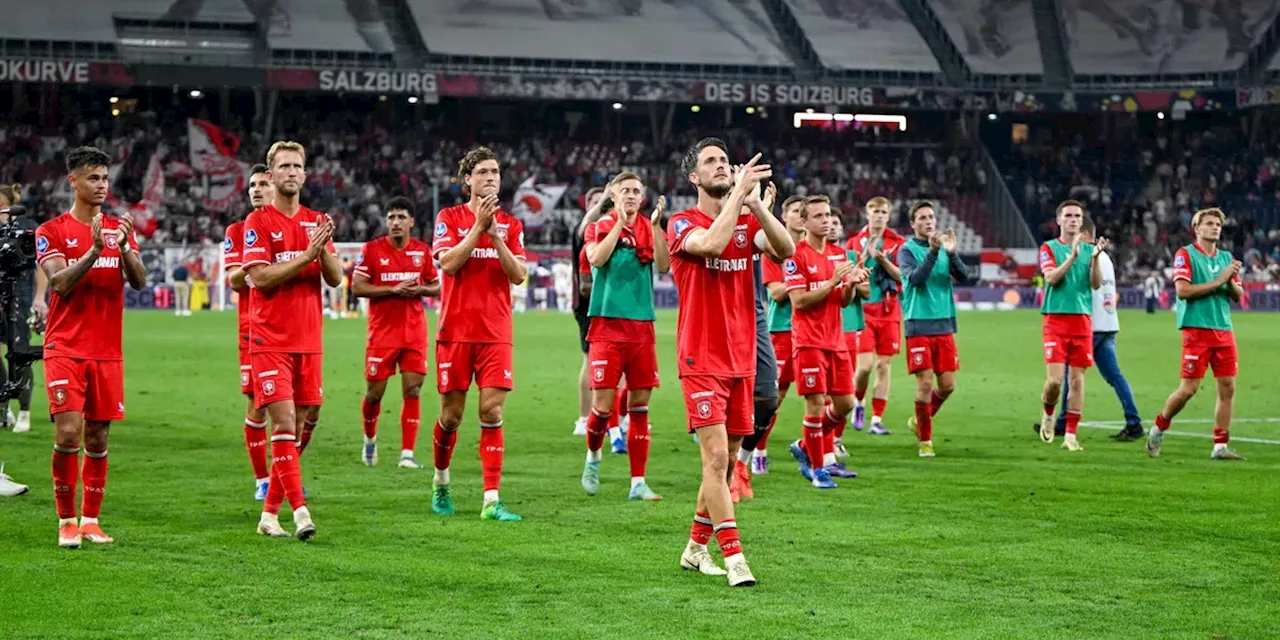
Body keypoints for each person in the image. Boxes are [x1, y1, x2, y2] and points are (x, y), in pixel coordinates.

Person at [668, 140, 794, 587]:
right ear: (695, 178)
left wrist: (758, 209)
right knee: (717, 456)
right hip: (700, 357)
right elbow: (713, 245)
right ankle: (735, 557)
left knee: (722, 466)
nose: (721, 166)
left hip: (741, 359)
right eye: (711, 162)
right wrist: (740, 197)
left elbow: (785, 250)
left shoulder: (746, 218)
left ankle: (695, 549)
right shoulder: (681, 222)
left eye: (725, 160)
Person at [36, 146, 147, 548]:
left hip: (106, 352)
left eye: (104, 178)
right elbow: (60, 283)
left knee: (98, 438)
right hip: (65, 347)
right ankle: (66, 521)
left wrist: (123, 247)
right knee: (69, 434)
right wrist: (96, 250)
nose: (101, 185)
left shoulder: (118, 229)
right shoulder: (50, 230)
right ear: (73, 181)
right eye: (93, 178)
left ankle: (91, 520)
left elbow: (138, 281)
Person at [242, 141, 344, 540]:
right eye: (282, 166)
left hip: (309, 341)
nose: (290, 172)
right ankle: (300, 510)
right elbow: (261, 279)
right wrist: (306, 256)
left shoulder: (316, 220)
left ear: (304, 174)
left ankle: (268, 515)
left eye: (296, 166)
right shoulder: (259, 223)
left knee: (301, 428)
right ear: (270, 174)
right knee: (283, 424)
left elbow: (335, 278)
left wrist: (322, 250)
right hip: (270, 341)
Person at [430, 146, 528, 522]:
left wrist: (497, 236)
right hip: (455, 332)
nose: (490, 178)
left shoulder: (512, 225)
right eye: (483, 172)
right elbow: (449, 264)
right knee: (451, 417)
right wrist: (477, 228)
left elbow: (518, 275)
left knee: (491, 409)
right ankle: (441, 482)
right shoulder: (448, 217)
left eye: (495, 172)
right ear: (467, 179)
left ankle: (491, 500)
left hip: (495, 332)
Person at [579, 172, 669, 501]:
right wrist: (619, 223)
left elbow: (662, 266)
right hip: (606, 327)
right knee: (602, 408)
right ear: (614, 196)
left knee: (640, 407)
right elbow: (596, 258)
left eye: (636, 191)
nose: (631, 195)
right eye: (625, 191)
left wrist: (657, 227)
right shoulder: (598, 226)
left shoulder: (649, 227)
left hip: (642, 327)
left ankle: (638, 482)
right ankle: (593, 457)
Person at [1147, 208, 1246, 461]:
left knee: (1228, 387)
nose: (1215, 228)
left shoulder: (1226, 257)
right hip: (1196, 330)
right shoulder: (1185, 255)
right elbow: (1183, 291)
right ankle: (1159, 427)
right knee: (1189, 389)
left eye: (1218, 225)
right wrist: (1221, 280)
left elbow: (1236, 296)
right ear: (1197, 228)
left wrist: (1232, 279)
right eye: (1210, 223)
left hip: (1223, 329)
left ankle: (1220, 445)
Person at [1034, 219, 1144, 441]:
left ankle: (1063, 423)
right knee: (1114, 376)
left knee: (1070, 376)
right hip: (1109, 325)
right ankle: (1134, 421)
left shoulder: (1089, 256)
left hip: (1089, 325)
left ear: (1084, 235)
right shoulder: (1106, 258)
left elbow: (1083, 291)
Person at [784, 196, 866, 487]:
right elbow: (799, 301)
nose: (827, 221)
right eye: (819, 216)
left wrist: (851, 285)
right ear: (804, 222)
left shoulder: (839, 254)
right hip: (808, 342)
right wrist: (832, 282)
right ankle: (819, 471)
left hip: (836, 341)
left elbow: (843, 302)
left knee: (846, 403)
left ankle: (805, 445)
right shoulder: (796, 255)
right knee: (816, 405)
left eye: (828, 215)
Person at [353, 197, 440, 469]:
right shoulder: (371, 250)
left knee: (412, 390)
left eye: (401, 217)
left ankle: (407, 453)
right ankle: (369, 439)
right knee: (374, 393)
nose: (396, 223)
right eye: (391, 217)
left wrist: (419, 291)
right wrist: (392, 290)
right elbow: (357, 287)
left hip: (413, 333)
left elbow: (436, 287)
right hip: (382, 334)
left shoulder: (422, 252)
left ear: (411, 221)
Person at [898, 202, 969, 457]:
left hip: (944, 323)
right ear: (913, 224)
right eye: (922, 218)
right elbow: (916, 279)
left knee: (948, 385)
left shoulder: (943, 250)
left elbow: (965, 277)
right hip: (918, 323)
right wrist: (932, 252)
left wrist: (950, 254)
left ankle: (919, 420)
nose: (928, 221)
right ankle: (925, 441)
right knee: (925, 383)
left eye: (931, 217)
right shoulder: (906, 251)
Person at [1036, 200, 1108, 451]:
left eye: (1077, 215)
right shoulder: (1049, 248)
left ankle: (1070, 436)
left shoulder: (1090, 249)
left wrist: (1095, 258)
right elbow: (1052, 279)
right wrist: (1073, 256)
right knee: (1055, 382)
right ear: (1059, 221)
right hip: (1055, 318)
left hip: (1082, 319)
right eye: (1068, 215)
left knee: (1077, 381)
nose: (1073, 220)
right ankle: (1048, 412)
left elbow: (1096, 284)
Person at [223, 163, 273, 500]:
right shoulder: (238, 230)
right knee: (257, 406)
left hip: (294, 328)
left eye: (262, 184)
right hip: (252, 329)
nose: (255, 189)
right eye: (251, 185)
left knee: (305, 409)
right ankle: (262, 479)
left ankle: (285, 472)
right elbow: (234, 279)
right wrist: (259, 269)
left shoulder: (296, 224)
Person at [729, 180, 779, 502]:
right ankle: (724, 474)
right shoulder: (719, 221)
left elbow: (777, 249)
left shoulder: (755, 226)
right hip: (722, 316)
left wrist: (763, 209)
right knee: (728, 403)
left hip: (755, 314)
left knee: (768, 399)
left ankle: (741, 465)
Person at [751, 195, 806, 477]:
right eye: (795, 211)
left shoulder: (815, 249)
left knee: (824, 395)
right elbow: (774, 293)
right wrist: (802, 283)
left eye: (803, 211)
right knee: (777, 395)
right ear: (784, 216)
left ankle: (821, 448)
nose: (800, 216)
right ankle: (759, 450)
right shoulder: (774, 246)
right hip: (783, 329)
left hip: (811, 331)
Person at [846, 196, 904, 436]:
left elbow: (903, 277)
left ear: (888, 216)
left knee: (884, 365)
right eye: (875, 212)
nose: (879, 216)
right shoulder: (854, 242)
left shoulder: (898, 243)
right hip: (864, 310)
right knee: (865, 366)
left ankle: (877, 419)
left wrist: (882, 258)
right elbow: (850, 273)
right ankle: (858, 402)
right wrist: (865, 254)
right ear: (866, 214)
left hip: (889, 310)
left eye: (883, 212)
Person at [0, 184, 40, 433]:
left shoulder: (28, 227)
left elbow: (40, 265)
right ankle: (4, 409)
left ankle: (24, 411)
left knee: (19, 353)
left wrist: (40, 298)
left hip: (21, 297)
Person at [571, 187, 607, 436]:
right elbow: (586, 225)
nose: (601, 204)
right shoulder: (582, 231)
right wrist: (606, 198)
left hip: (610, 304)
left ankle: (616, 420)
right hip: (587, 306)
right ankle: (584, 419)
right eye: (594, 201)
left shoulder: (608, 229)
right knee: (590, 360)